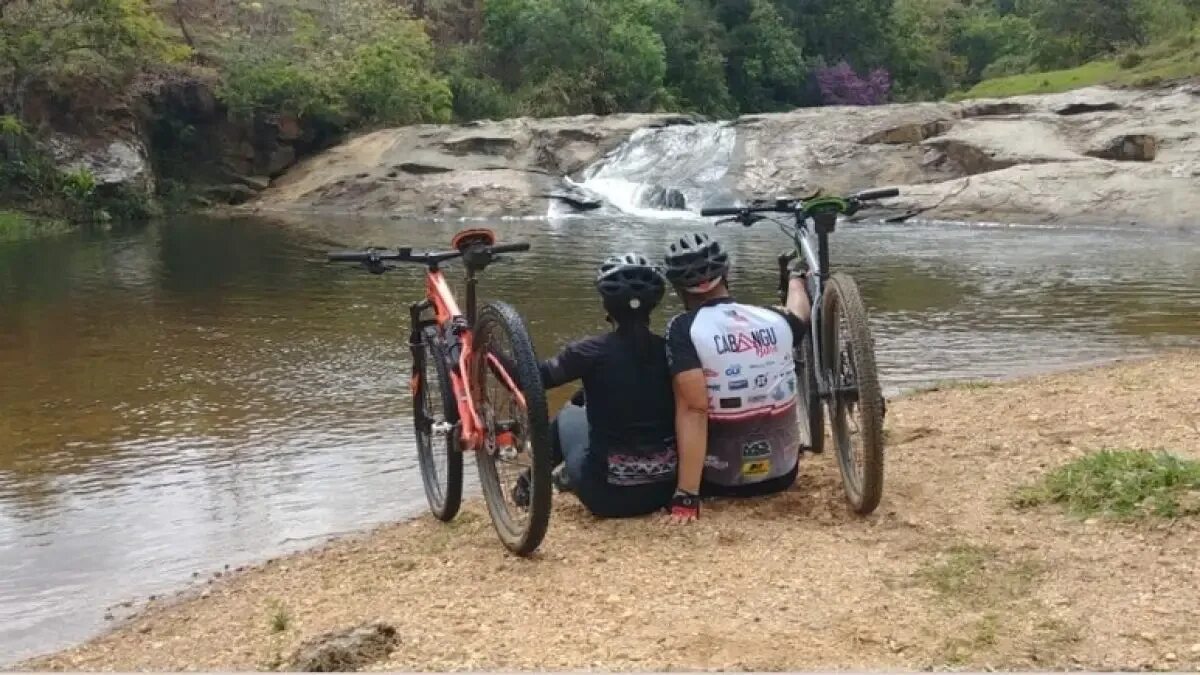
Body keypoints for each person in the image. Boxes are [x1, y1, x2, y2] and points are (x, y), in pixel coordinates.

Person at [660, 232, 812, 522]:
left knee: (684, 394)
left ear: (678, 288)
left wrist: (687, 495)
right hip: (783, 474)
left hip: (721, 482)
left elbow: (695, 409)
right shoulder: (774, 318)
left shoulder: (682, 328)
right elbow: (800, 315)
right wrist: (795, 281)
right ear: (726, 271)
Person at [519, 253, 678, 518]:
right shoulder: (671, 350)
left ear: (606, 304)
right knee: (586, 398)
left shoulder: (590, 352)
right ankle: (552, 480)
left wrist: (485, 348)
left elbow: (532, 379)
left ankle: (529, 485)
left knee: (569, 411)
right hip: (664, 491)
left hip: (606, 497)